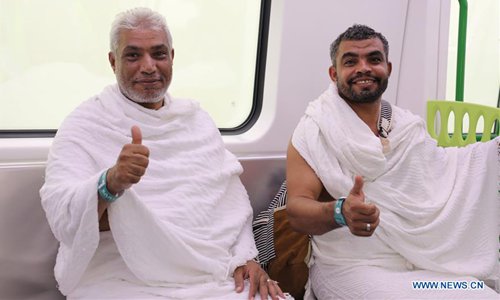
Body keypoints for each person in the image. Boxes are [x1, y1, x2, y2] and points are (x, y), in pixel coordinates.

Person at [40, 7, 287, 300]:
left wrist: (247, 258)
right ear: (113, 61)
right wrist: (109, 183)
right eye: (133, 55)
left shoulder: (196, 121)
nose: (148, 66)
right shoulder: (86, 124)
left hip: (211, 270)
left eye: (158, 54)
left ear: (171, 57)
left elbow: (232, 208)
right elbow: (62, 214)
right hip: (119, 272)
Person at [286, 24, 499, 299]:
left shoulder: (408, 127)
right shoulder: (313, 131)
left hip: (419, 263)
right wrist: (340, 212)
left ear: (388, 68)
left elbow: (449, 171)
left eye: (373, 59)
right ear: (333, 73)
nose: (363, 68)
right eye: (351, 61)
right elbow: (296, 211)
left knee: (477, 294)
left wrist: (493, 152)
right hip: (351, 268)